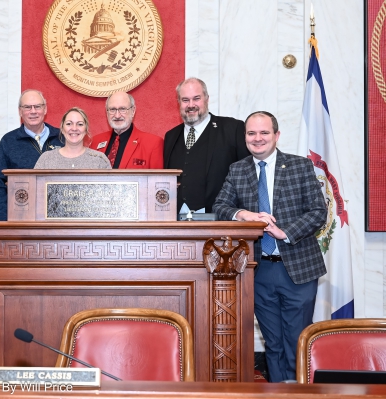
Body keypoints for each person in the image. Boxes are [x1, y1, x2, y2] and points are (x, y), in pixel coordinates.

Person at [213, 111, 327, 382]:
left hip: (298, 269)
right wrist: (245, 215)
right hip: (259, 270)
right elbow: (220, 207)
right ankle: (279, 391)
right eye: (251, 133)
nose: (258, 138)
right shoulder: (237, 169)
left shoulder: (299, 166)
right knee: (273, 343)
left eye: (264, 133)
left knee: (297, 342)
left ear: (276, 135)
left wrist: (284, 232)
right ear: (245, 138)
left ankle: (298, 392)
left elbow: (318, 211)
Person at [164, 78, 249, 214]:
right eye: (185, 100)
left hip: (220, 219)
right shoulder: (171, 136)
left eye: (196, 98)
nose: (191, 105)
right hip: (177, 221)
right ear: (178, 103)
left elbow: (248, 173)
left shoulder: (232, 129)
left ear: (207, 99)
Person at [0, 89, 63, 220]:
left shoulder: (62, 137)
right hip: (21, 218)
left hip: (58, 218)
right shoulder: (8, 141)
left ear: (45, 109)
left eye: (37, 106)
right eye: (27, 107)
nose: (33, 111)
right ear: (20, 111)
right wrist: (3, 220)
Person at [90, 91, 163, 169]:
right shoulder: (95, 142)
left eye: (122, 109)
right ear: (106, 112)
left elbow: (157, 180)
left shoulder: (153, 143)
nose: (117, 115)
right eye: (112, 109)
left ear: (133, 111)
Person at [35, 107, 111, 169]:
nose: (74, 128)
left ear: (86, 129)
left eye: (80, 124)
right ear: (62, 129)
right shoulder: (46, 159)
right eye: (69, 124)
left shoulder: (100, 160)